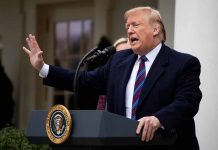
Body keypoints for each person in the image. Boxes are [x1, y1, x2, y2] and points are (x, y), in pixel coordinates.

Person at [22, 6, 202, 149]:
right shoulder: (119, 60)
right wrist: (43, 68)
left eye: (135, 25)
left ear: (156, 29)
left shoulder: (183, 63)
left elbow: (188, 101)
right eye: (127, 26)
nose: (129, 30)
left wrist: (159, 119)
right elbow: (85, 80)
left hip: (167, 144)